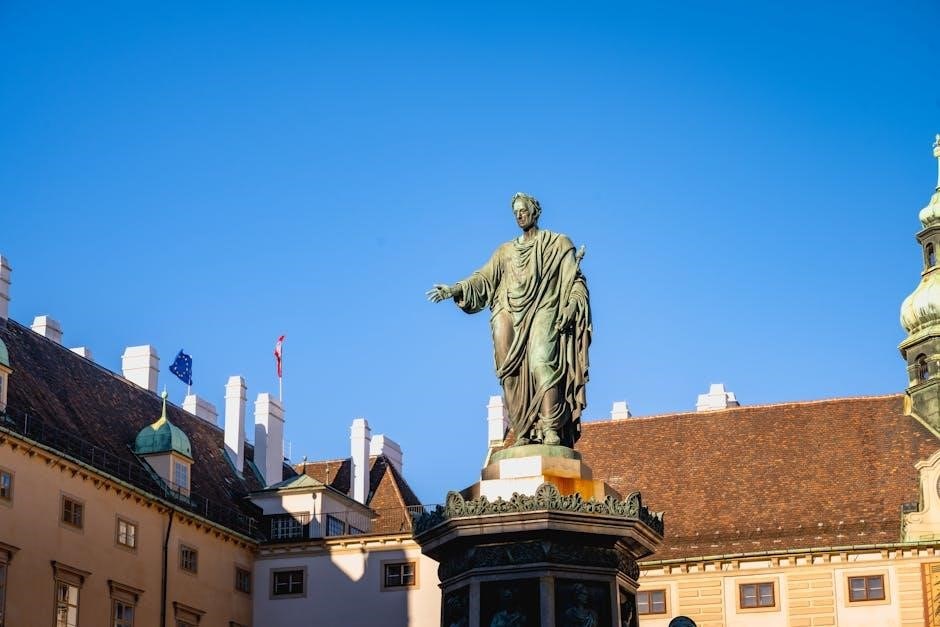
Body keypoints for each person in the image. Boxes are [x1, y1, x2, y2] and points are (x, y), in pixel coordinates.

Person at [427, 193, 591, 448]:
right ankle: (522, 430)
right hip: (508, 309)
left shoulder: (558, 244)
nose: (519, 216)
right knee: (508, 371)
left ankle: (550, 428)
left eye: (523, 210)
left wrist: (571, 306)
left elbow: (575, 281)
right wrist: (454, 289)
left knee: (541, 362)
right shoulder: (505, 251)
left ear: (535, 211)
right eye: (515, 213)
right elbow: (483, 278)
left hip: (544, 308)